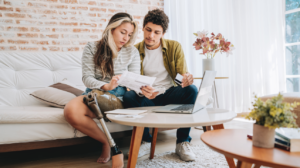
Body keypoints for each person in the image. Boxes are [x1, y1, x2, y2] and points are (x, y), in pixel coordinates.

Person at [64, 12, 140, 164]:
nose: (126, 38)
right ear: (111, 29)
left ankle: (102, 109)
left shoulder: (132, 51)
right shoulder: (92, 48)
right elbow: (87, 78)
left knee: (97, 98)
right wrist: (106, 85)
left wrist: (130, 85)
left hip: (119, 96)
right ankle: (107, 142)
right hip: (95, 93)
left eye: (130, 34)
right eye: (123, 32)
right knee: (70, 110)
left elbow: (134, 80)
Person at [123, 9, 198, 162]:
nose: (151, 36)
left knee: (191, 90)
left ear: (163, 33)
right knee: (129, 96)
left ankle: (182, 142)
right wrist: (141, 90)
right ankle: (145, 141)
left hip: (169, 93)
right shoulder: (134, 50)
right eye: (148, 30)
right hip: (146, 96)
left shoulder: (174, 47)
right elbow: (130, 81)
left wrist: (186, 79)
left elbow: (180, 76)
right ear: (143, 28)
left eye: (157, 32)